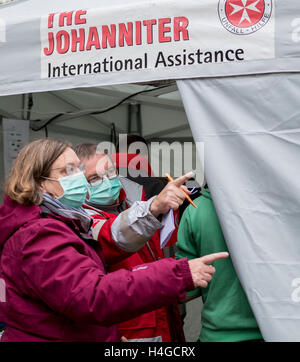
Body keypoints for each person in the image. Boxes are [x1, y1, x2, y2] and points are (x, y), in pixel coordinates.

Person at [0, 139, 228, 342]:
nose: (78, 177)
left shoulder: (62, 221)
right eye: (68, 171)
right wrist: (177, 274)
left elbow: (67, 300)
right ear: (40, 182)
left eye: (78, 169)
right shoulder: (39, 234)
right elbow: (90, 296)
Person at [74, 143, 188, 341]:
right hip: (128, 329)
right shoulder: (79, 220)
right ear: (76, 184)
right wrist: (153, 208)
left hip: (162, 316)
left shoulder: (134, 200)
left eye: (110, 172)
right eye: (94, 178)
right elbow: (112, 236)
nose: (107, 180)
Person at [175, 186, 263, 342]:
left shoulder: (196, 209)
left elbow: (185, 292)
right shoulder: (283, 207)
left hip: (217, 335)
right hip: (277, 331)